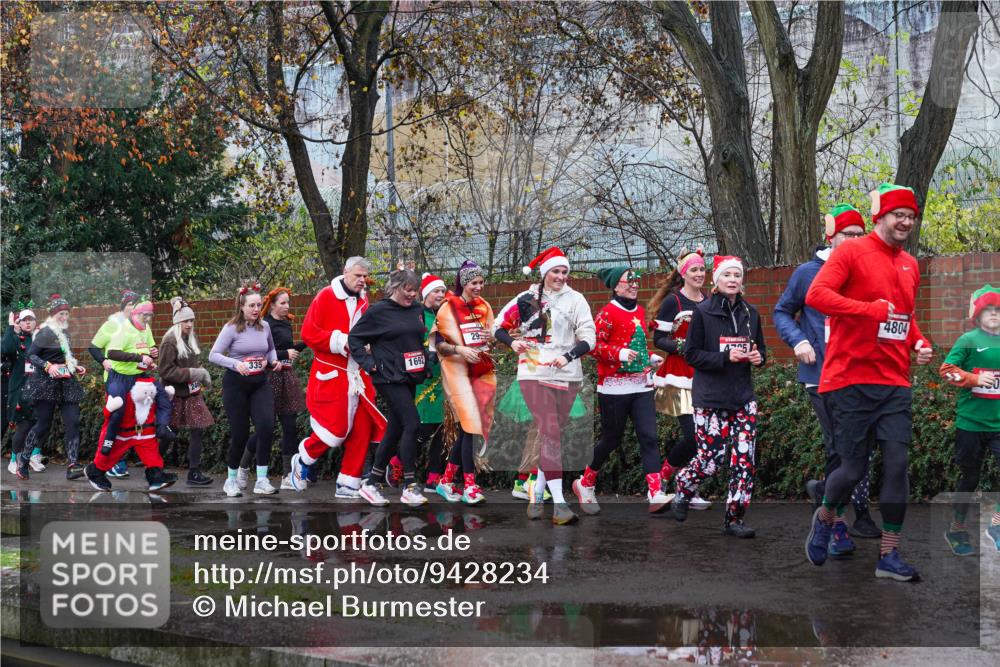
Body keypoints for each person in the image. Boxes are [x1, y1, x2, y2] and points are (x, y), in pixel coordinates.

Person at [805, 183, 933, 581]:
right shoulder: (850, 252)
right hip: (851, 379)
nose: (905, 222)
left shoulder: (910, 265)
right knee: (854, 469)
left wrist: (919, 342)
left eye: (911, 216)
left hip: (894, 381)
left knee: (897, 465)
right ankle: (825, 514)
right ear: (880, 217)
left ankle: (889, 556)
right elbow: (816, 295)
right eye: (899, 215)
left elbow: (904, 317)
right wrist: (867, 311)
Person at [774, 204, 881, 544]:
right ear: (830, 237)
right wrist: (799, 340)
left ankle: (834, 497)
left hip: (858, 372)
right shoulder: (807, 273)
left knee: (859, 446)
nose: (853, 241)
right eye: (846, 235)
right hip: (819, 373)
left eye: (858, 235)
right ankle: (834, 526)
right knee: (840, 446)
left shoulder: (865, 271)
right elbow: (782, 313)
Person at [494, 247, 596, 525]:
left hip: (567, 373)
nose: (561, 276)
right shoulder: (526, 299)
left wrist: (568, 356)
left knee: (554, 436)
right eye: (555, 271)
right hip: (533, 371)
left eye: (564, 272)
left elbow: (589, 337)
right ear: (544, 273)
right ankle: (560, 505)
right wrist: (512, 342)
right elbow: (497, 326)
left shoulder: (576, 299)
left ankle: (537, 492)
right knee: (550, 432)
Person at [671, 256, 766, 538]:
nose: (733, 280)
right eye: (727, 275)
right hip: (711, 398)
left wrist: (759, 357)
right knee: (711, 459)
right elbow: (692, 354)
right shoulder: (703, 311)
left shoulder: (752, 313)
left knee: (743, 461)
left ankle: (734, 519)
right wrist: (725, 357)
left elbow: (760, 349)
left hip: (742, 398)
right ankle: (685, 484)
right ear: (717, 280)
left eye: (737, 275)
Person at [574, 267, 671, 514]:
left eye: (637, 280)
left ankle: (655, 493)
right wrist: (618, 353)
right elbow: (593, 346)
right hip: (614, 389)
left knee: (649, 437)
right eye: (630, 281)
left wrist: (649, 358)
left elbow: (635, 345)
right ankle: (585, 483)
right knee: (611, 440)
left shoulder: (639, 311)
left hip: (641, 385)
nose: (635, 284)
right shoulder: (607, 313)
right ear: (616, 286)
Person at [290, 257, 386, 498]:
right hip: (332, 375)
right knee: (336, 430)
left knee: (363, 428)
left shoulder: (364, 300)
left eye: (365, 276)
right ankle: (303, 457)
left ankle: (349, 481)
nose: (362, 280)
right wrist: (343, 342)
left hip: (358, 375)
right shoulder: (325, 296)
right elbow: (309, 334)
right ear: (345, 272)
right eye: (358, 276)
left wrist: (370, 346)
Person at [350, 270, 430, 507]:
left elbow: (418, 340)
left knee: (395, 428)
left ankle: (372, 483)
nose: (412, 294)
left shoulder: (416, 310)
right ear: (395, 287)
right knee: (412, 423)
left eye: (415, 290)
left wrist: (425, 359)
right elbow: (354, 339)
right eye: (407, 289)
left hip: (409, 376)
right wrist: (370, 365)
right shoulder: (378, 312)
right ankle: (409, 485)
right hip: (387, 377)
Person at [939, 285, 1000, 555]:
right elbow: (946, 370)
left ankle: (996, 525)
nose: (995, 315)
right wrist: (974, 379)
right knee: (970, 477)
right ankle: (957, 528)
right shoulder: (968, 340)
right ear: (978, 314)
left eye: (998, 310)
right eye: (989, 310)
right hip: (971, 424)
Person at [649, 246, 711, 510]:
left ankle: (688, 486)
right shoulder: (673, 302)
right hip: (678, 376)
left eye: (702, 269)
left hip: (704, 376)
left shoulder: (708, 300)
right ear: (684, 273)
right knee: (695, 437)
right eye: (694, 270)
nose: (699, 274)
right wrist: (682, 347)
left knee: (706, 437)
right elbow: (659, 339)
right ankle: (665, 477)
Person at [433, 260, 497, 505]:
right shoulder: (447, 308)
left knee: (468, 429)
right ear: (463, 283)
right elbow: (438, 344)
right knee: (470, 425)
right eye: (474, 283)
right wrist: (460, 349)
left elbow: (492, 336)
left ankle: (447, 481)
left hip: (481, 370)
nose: (479, 287)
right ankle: (470, 486)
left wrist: (488, 338)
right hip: (456, 372)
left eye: (481, 282)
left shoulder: (485, 306)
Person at [209, 282, 280, 497]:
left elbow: (270, 349)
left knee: (266, 427)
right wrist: (235, 364)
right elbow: (213, 354)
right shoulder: (231, 328)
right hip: (236, 385)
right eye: (252, 305)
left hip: (260, 382)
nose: (256, 309)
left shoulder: (264, 326)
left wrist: (274, 360)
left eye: (259, 305)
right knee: (240, 434)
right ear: (242, 306)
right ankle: (231, 481)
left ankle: (261, 480)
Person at [94, 298, 177, 479]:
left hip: (138, 376)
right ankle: (108, 443)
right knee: (119, 410)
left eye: (150, 315)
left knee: (163, 397)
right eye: (145, 315)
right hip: (119, 377)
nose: (148, 319)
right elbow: (111, 353)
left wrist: (152, 352)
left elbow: (149, 347)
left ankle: (162, 428)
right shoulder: (121, 329)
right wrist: (138, 358)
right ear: (134, 314)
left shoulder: (145, 328)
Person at [239, 287, 308, 490]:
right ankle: (242, 467)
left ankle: (288, 475)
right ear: (273, 304)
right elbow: (262, 351)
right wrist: (283, 354)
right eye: (283, 303)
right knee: (265, 427)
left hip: (286, 377)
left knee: (290, 427)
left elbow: (289, 349)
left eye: (288, 303)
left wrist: (306, 343)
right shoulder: (264, 324)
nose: (287, 306)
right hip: (268, 378)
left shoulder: (286, 323)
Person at [386, 274, 449, 494]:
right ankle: (397, 462)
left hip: (443, 377)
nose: (440, 295)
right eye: (436, 291)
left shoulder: (445, 314)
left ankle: (433, 477)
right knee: (422, 428)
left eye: (443, 291)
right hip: (421, 379)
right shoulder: (416, 313)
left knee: (442, 429)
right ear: (425, 293)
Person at [22, 295, 87, 479]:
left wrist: (75, 366)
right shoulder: (45, 332)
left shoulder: (65, 333)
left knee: (73, 422)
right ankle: (24, 460)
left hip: (66, 383)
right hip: (46, 383)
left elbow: (66, 356)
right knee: (43, 424)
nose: (64, 317)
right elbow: (31, 356)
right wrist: (48, 366)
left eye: (66, 313)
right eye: (61, 313)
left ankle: (73, 464)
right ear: (53, 314)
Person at [157, 297, 216, 486]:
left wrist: (201, 374)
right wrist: (193, 373)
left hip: (192, 393)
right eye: (185, 321)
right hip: (174, 394)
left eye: (191, 320)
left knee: (198, 429)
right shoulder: (169, 341)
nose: (189, 324)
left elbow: (192, 364)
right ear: (177, 322)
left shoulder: (190, 338)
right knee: (169, 431)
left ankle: (194, 472)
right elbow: (165, 371)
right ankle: (154, 467)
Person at [85, 377, 178, 492]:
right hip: (122, 432)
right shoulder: (121, 388)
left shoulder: (149, 388)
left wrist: (166, 398)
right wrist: (109, 409)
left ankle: (156, 476)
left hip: (144, 431)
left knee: (152, 456)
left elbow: (159, 407)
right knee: (108, 456)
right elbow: (110, 413)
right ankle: (95, 472)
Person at [88, 289, 141, 477]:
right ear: (123, 308)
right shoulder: (112, 325)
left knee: (130, 419)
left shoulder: (141, 327)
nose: (133, 309)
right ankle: (110, 462)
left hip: (135, 380)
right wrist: (103, 361)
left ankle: (119, 459)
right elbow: (93, 347)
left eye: (136, 305)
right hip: (115, 380)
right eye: (129, 305)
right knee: (115, 418)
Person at [5, 308, 42, 477]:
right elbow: (5, 349)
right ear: (19, 323)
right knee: (23, 427)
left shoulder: (40, 339)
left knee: (39, 426)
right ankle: (14, 460)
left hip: (39, 390)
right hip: (20, 390)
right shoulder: (14, 339)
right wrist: (11, 328)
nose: (28, 322)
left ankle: (31, 457)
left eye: (31, 319)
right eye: (24, 320)